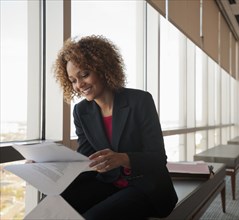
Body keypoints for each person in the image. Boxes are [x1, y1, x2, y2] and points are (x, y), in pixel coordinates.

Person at [53, 35, 178, 219]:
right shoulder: (81, 111)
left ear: (102, 68)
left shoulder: (140, 101)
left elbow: (158, 158)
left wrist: (123, 159)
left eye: (84, 74)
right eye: (73, 80)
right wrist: (50, 165)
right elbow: (86, 158)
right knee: (55, 206)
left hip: (145, 187)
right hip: (107, 184)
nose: (79, 85)